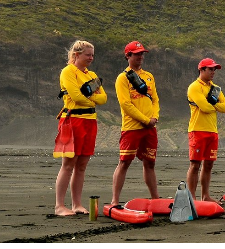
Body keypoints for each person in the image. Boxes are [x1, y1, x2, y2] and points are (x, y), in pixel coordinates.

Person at [54, 40, 107, 216]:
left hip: (90, 120)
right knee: (68, 164)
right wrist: (93, 98)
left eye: (92, 55)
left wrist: (91, 98)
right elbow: (76, 96)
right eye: (87, 54)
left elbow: (104, 98)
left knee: (82, 165)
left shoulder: (92, 74)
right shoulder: (68, 71)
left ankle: (76, 204)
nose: (91, 58)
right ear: (77, 55)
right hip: (73, 120)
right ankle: (59, 206)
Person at [110, 41, 161, 206]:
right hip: (132, 127)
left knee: (150, 162)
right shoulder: (122, 78)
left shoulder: (149, 76)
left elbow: (155, 99)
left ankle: (155, 199)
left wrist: (154, 117)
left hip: (150, 127)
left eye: (142, 54)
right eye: (137, 54)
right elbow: (126, 104)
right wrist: (145, 120)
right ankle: (115, 200)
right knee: (124, 161)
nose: (140, 57)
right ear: (128, 56)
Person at [186, 58, 225, 205]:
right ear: (201, 70)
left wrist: (212, 103)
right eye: (210, 69)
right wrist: (214, 105)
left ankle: (205, 196)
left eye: (214, 69)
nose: (213, 72)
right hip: (197, 130)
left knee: (209, 165)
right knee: (195, 165)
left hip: (212, 131)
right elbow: (205, 108)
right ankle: (191, 197)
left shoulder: (216, 88)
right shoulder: (194, 87)